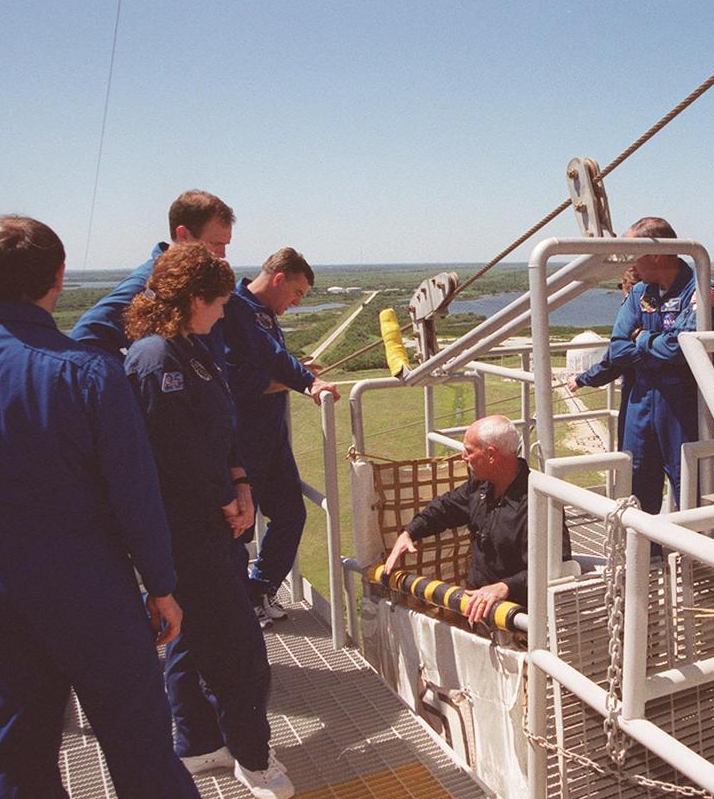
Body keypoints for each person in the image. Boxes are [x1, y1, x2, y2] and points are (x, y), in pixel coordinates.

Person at [0, 216, 213, 799]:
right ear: (59, 278)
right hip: (92, 589)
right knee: (139, 748)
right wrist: (161, 585)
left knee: (20, 753)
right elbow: (134, 494)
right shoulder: (89, 372)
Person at [122, 244, 294, 799]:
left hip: (210, 522)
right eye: (219, 302)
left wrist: (241, 481)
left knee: (193, 641)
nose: (224, 312)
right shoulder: (155, 361)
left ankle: (198, 744)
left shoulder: (189, 349)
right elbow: (177, 456)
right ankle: (254, 759)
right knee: (241, 650)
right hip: (187, 532)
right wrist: (227, 498)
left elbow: (219, 433)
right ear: (195, 299)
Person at [220, 247, 340, 624]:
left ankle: (260, 588)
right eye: (298, 292)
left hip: (271, 438)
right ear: (278, 279)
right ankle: (235, 605)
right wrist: (307, 381)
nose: (297, 301)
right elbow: (240, 375)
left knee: (290, 514)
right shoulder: (236, 310)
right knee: (237, 527)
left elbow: (268, 362)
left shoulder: (263, 315)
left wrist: (293, 374)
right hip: (241, 440)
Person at [384, 415, 566, 623]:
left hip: (519, 621)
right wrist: (410, 532)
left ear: (490, 455)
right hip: (476, 608)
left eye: (469, 451)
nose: (463, 457)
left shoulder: (540, 502)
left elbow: (555, 565)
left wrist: (505, 587)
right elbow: (445, 508)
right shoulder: (480, 486)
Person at [607, 217, 714, 521]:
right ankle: (644, 562)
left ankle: (702, 563)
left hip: (683, 406)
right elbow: (619, 348)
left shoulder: (702, 291)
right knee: (635, 492)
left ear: (657, 254)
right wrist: (659, 347)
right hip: (640, 404)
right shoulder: (639, 293)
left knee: (693, 488)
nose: (632, 265)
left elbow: (683, 348)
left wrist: (643, 338)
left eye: (636, 255)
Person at [71, 189, 234, 358]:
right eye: (216, 243)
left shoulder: (205, 283)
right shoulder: (150, 285)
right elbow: (85, 340)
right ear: (183, 235)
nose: (222, 254)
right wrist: (132, 377)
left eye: (225, 245)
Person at [568, 266, 639, 443]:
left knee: (635, 456)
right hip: (669, 396)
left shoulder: (632, 314)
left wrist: (580, 380)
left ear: (626, 285)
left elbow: (614, 362)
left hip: (638, 398)